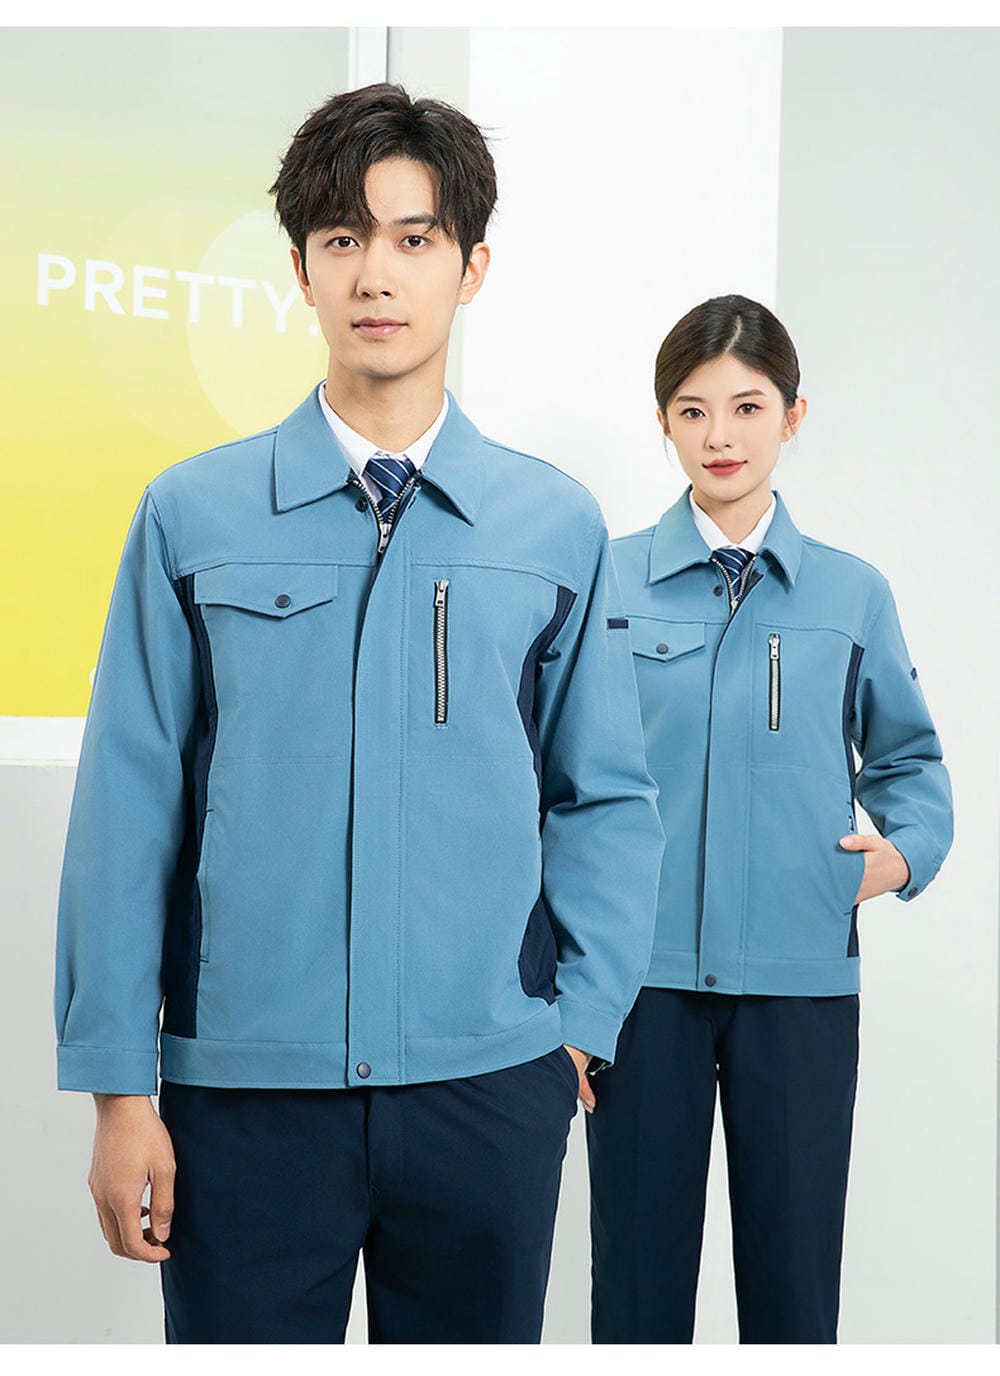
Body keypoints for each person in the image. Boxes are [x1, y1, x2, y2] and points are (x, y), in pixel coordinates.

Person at [54, 83, 663, 1345]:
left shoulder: (551, 525)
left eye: (413, 238)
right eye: (342, 239)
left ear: (470, 267)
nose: (375, 274)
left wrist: (576, 1032)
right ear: (301, 268)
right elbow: (128, 806)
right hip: (245, 1094)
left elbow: (603, 793)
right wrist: (119, 1088)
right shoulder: (191, 514)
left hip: (488, 1087)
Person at [586, 294, 953, 1344]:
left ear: (792, 416)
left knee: (794, 1292)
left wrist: (895, 859)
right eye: (693, 410)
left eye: (747, 407)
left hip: (799, 989)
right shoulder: (607, 579)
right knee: (637, 1290)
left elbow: (912, 764)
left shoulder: (850, 592)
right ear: (663, 420)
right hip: (639, 988)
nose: (721, 436)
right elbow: (557, 775)